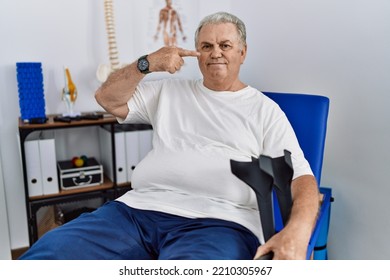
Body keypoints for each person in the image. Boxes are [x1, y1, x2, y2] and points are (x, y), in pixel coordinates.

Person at [21, 11, 319, 260]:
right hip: (135, 212)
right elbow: (107, 98)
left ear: (243, 52)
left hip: (220, 224)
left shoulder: (265, 110)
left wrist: (297, 232)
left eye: (225, 45)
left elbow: (301, 179)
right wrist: (147, 64)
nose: (215, 53)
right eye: (206, 46)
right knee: (47, 255)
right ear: (196, 53)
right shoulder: (169, 91)